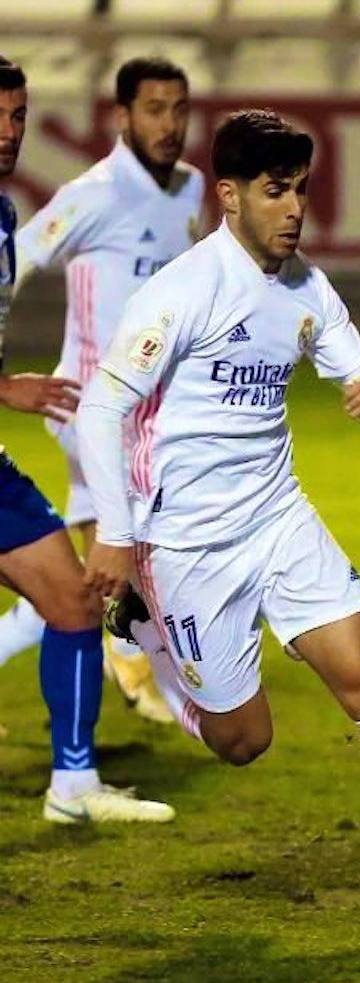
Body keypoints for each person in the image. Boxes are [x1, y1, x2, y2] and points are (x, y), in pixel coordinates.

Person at [72, 108, 360, 928]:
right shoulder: (181, 292)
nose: (295, 210)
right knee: (243, 742)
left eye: (303, 192)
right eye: (277, 192)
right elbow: (103, 409)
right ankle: (138, 637)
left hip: (280, 519)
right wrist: (116, 535)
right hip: (188, 544)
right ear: (229, 195)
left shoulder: (308, 288)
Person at [0, 56, 205, 725]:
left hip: (152, 413)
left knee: (69, 581)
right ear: (122, 116)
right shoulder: (95, 193)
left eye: (179, 109)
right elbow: (20, 255)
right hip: (88, 405)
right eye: (153, 109)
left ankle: (126, 651)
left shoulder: (192, 190)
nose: (169, 123)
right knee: (136, 556)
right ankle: (137, 661)